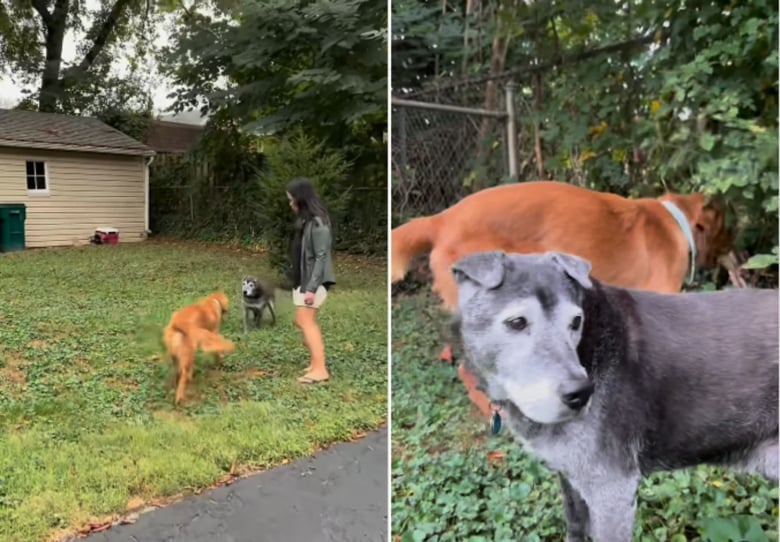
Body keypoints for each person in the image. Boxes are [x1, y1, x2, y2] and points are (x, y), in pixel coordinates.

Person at [286, 177, 336, 384]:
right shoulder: (307, 221)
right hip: (304, 280)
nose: (290, 204)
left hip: (313, 283)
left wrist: (311, 289)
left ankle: (320, 369)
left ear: (301, 199)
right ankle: (315, 363)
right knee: (302, 320)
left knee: (306, 322)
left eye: (291, 200)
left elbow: (321, 257)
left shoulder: (318, 224)